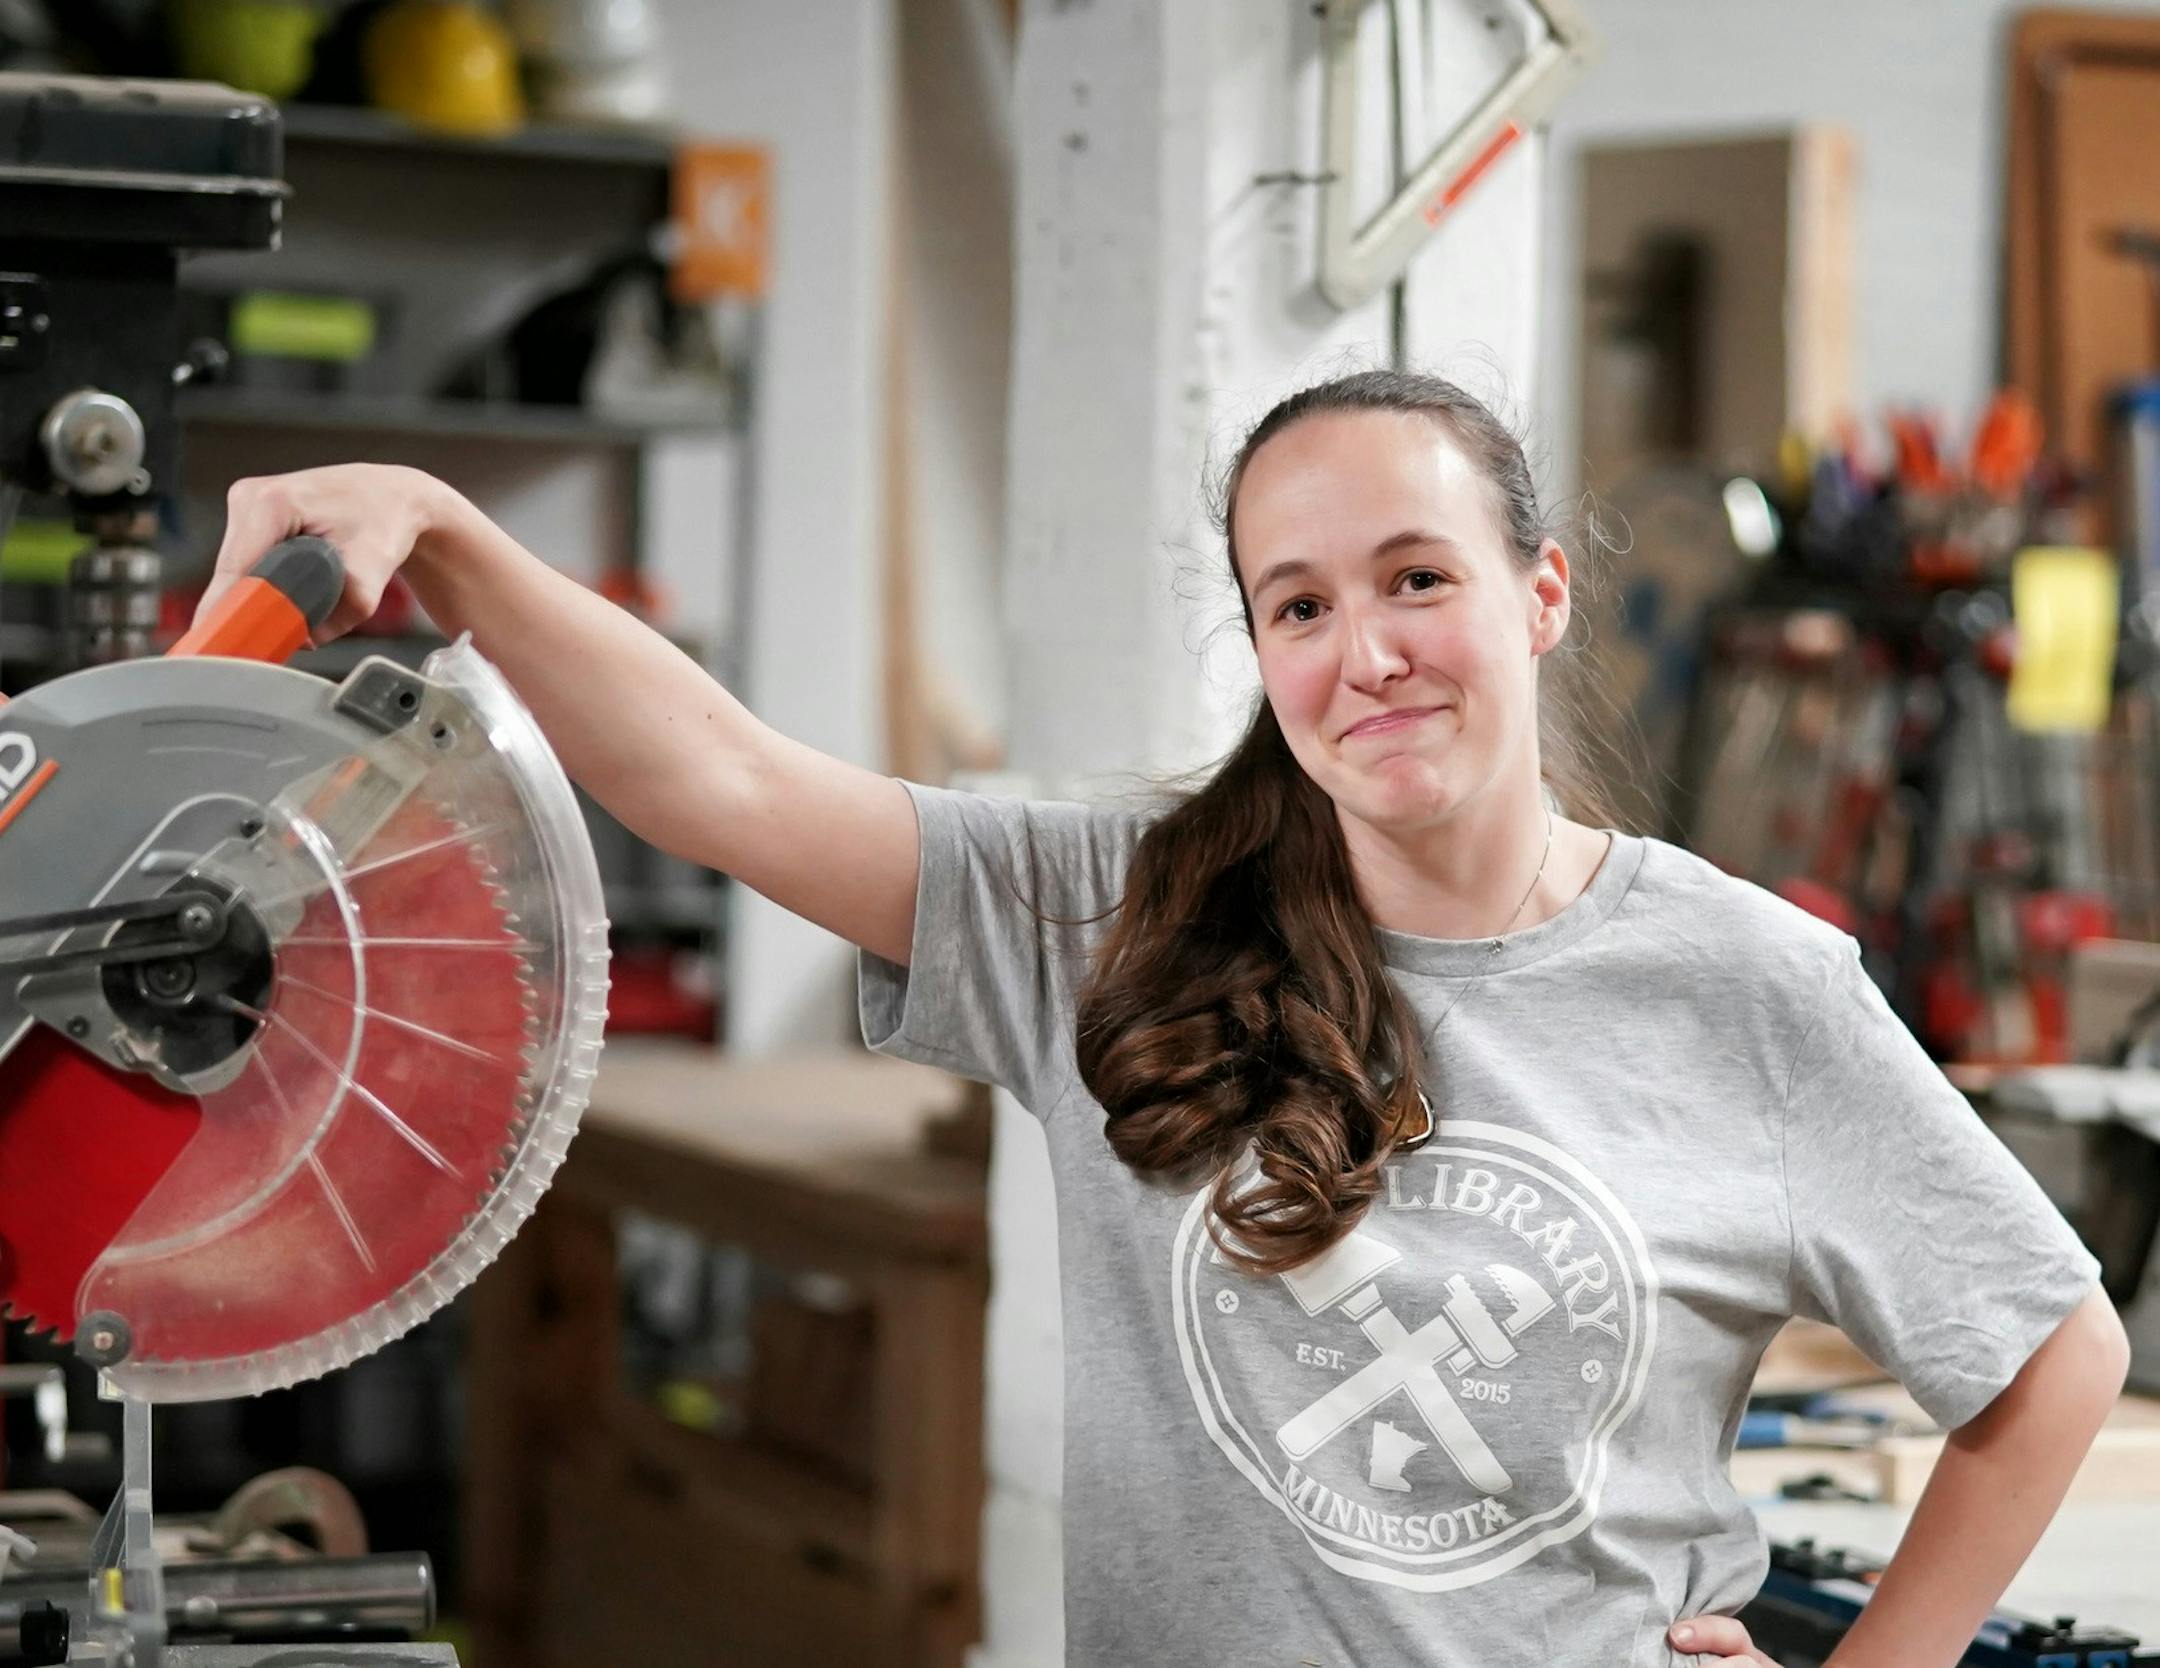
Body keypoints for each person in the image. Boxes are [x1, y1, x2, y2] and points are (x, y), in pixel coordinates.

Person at [201, 370, 2129, 1668]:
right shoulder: (1121, 916)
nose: (1361, 651)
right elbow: (724, 781)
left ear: (1539, 597)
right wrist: (452, 540)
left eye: (1416, 578)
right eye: (1295, 606)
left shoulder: (1749, 988)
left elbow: (2049, 1359)